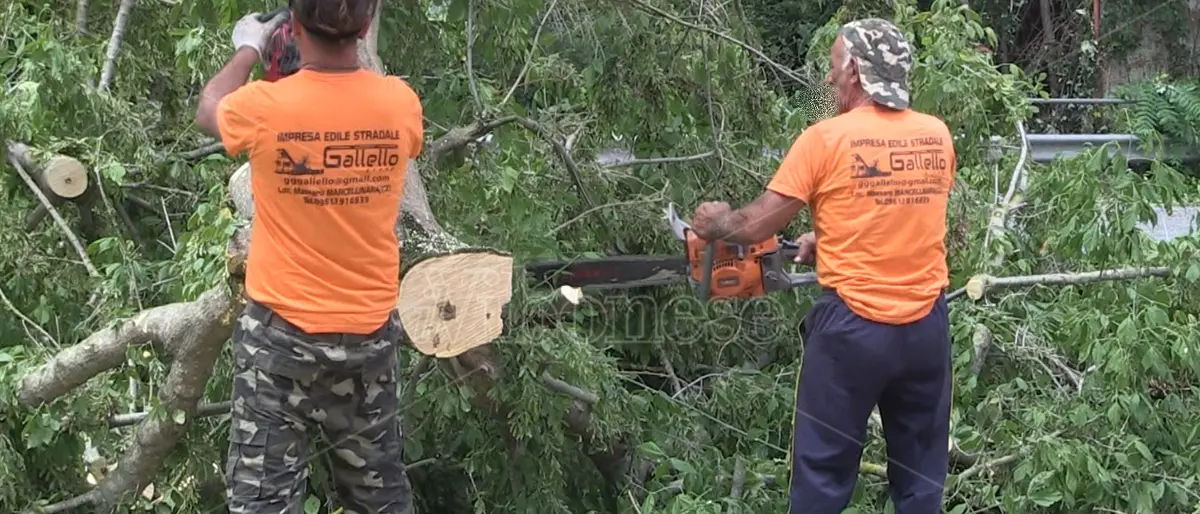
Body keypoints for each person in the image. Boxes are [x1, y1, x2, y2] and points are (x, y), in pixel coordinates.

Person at [689, 18, 955, 514]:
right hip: (926, 333)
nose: (830, 79)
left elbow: (755, 223)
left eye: (834, 68)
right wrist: (827, 235)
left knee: (821, 481)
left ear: (854, 71)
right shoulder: (936, 136)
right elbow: (899, 211)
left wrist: (716, 222)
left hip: (852, 332)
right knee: (921, 484)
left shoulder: (825, 139)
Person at [193, 0, 423, 512]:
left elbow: (209, 108)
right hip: (368, 337)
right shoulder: (400, 104)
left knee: (262, 500)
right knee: (379, 496)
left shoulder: (263, 108)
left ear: (293, 26)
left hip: (280, 342)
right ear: (366, 25)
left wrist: (249, 46)